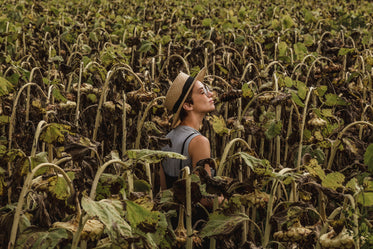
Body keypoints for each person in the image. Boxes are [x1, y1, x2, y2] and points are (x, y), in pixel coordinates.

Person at [160, 67, 215, 190]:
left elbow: (163, 191)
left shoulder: (165, 140)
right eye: (202, 92)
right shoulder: (199, 142)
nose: (210, 94)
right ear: (188, 105)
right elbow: (204, 196)